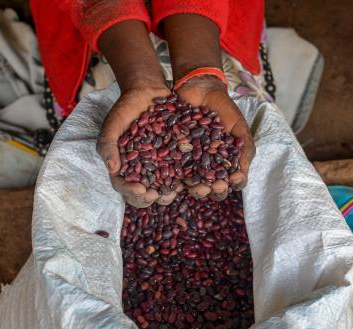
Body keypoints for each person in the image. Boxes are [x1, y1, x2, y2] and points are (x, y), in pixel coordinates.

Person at [31, 0, 265, 207]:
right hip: (104, 30)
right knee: (91, 115)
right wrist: (139, 77)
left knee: (237, 87)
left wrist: (201, 71)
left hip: (206, 29)